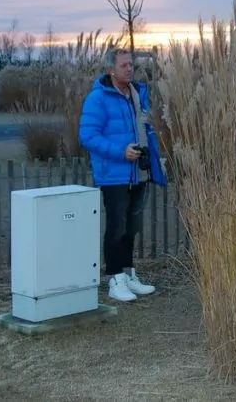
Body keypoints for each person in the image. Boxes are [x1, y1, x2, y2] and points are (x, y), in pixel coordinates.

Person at [79, 47, 169, 302]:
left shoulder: (138, 94)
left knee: (132, 226)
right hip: (114, 174)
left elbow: (145, 127)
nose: (130, 68)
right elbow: (87, 136)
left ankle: (129, 274)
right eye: (124, 65)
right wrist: (120, 151)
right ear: (111, 70)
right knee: (116, 227)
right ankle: (115, 279)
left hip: (138, 171)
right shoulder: (98, 98)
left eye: (131, 64)